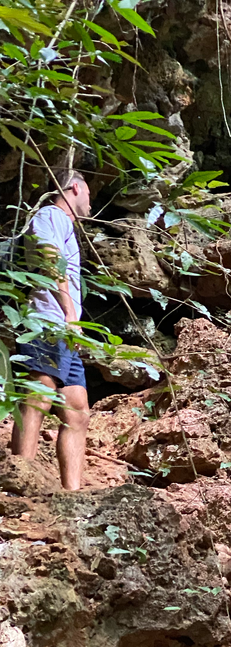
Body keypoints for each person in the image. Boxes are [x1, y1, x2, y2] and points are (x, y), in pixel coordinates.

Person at [10, 170, 91, 490]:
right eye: (88, 195)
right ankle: (18, 483)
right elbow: (48, 255)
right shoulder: (50, 215)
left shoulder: (65, 225)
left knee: (77, 409)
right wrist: (70, 313)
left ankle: (72, 496)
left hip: (64, 333)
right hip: (45, 321)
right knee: (38, 394)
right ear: (75, 187)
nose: (89, 203)